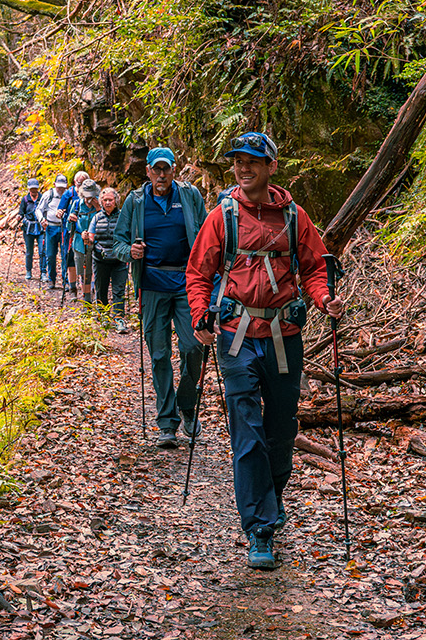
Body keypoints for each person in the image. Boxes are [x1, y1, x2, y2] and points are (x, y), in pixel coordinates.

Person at [188, 132, 344, 570]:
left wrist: (324, 298)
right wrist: (201, 315)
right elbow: (199, 272)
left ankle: (272, 495)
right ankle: (259, 528)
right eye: (238, 161)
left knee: (280, 429)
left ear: (271, 166)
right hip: (236, 337)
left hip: (284, 336)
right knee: (246, 431)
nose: (243, 168)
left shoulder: (294, 217)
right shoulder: (223, 216)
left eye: (253, 161)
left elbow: (315, 267)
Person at [109, 148, 208, 449]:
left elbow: (207, 236)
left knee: (194, 347)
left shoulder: (190, 196)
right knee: (159, 354)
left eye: (166, 169)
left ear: (173, 170)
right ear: (149, 172)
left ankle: (187, 405)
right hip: (151, 284)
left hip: (186, 282)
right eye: (156, 170)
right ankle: (167, 422)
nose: (161, 175)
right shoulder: (135, 202)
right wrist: (131, 253)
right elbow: (118, 241)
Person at [86, 186, 127, 333]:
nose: (108, 203)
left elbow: (128, 235)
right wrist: (87, 239)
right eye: (105, 200)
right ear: (101, 202)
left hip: (119, 260)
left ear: (116, 201)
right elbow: (91, 237)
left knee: (119, 290)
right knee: (101, 289)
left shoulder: (123, 217)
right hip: (100, 259)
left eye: (111, 200)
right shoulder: (96, 217)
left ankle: (119, 319)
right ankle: (103, 315)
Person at [35, 175, 70, 289]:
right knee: (50, 255)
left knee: (65, 254)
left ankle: (66, 281)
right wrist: (41, 220)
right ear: (54, 185)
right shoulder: (48, 195)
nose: (60, 189)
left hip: (64, 228)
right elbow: (39, 210)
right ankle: (51, 279)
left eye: (63, 187)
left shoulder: (69, 195)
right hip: (51, 227)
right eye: (59, 187)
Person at [72, 178, 101, 301]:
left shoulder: (99, 204)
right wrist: (71, 220)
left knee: (95, 271)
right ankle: (86, 299)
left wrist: (98, 208)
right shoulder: (77, 204)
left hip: (96, 243)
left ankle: (97, 297)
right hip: (80, 243)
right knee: (84, 274)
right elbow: (70, 226)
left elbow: (106, 222)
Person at [18, 179, 44, 281]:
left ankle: (43, 272)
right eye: (32, 188)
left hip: (40, 227)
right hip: (28, 228)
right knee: (29, 251)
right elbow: (21, 211)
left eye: (35, 188)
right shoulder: (25, 199)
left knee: (42, 251)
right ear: (29, 189)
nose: (33, 190)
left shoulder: (42, 198)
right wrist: (19, 217)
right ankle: (28, 271)